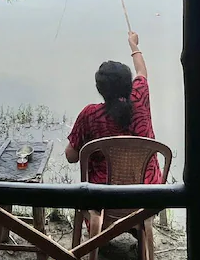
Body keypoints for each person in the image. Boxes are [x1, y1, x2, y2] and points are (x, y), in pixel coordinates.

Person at [64, 31, 163, 185]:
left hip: (107, 198)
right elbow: (141, 71)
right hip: (148, 194)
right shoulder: (140, 96)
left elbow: (71, 157)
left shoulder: (90, 115)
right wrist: (133, 45)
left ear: (100, 90)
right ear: (129, 84)